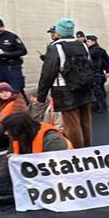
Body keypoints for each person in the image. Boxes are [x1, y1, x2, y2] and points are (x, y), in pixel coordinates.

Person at [0, 113, 72, 206]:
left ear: (23, 131)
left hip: (60, 174)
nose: (7, 134)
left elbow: (54, 168)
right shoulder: (17, 136)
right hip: (33, 172)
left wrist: (22, 160)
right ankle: (21, 194)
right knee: (0, 185)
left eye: (9, 131)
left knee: (51, 187)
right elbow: (8, 160)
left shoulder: (52, 140)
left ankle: (16, 197)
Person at [37, 18, 94, 149]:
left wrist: (41, 96)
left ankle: (77, 154)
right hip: (84, 87)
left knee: (72, 124)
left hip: (65, 90)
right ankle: (88, 149)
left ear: (59, 31)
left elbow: (48, 74)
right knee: (86, 121)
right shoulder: (82, 44)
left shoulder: (55, 47)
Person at [86, 35, 109, 114]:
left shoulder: (96, 50)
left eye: (88, 41)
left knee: (98, 92)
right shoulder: (91, 49)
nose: (87, 43)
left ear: (93, 42)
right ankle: (96, 106)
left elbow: (91, 55)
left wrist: (108, 70)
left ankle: (103, 107)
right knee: (95, 92)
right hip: (93, 73)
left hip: (95, 73)